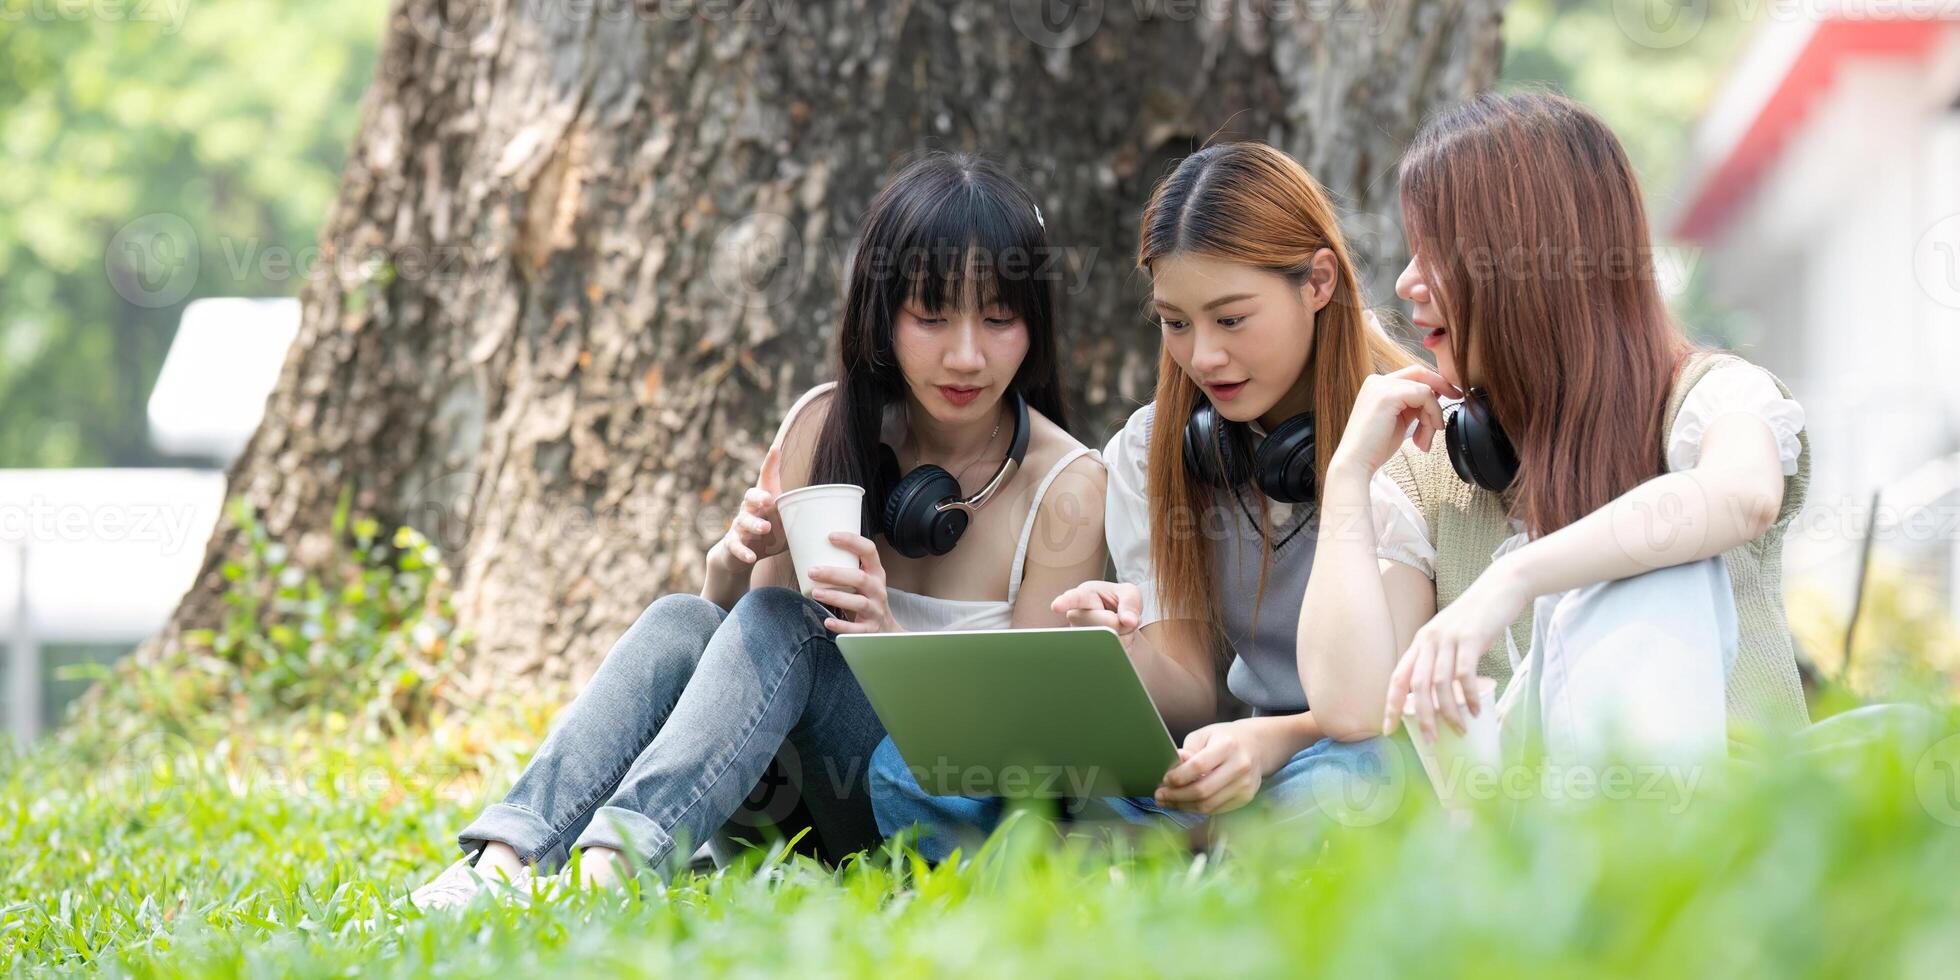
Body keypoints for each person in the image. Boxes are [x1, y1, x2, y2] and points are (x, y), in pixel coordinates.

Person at [410, 152, 1110, 908]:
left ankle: (608, 870)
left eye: (999, 318)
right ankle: (505, 860)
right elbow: (751, 653)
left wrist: (887, 647)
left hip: (927, 823)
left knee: (800, 629)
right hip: (775, 814)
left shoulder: (1066, 485)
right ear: (881, 314)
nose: (966, 354)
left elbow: (1032, 753)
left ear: (1033, 327)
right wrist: (732, 564)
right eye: (932, 316)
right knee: (687, 616)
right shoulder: (824, 426)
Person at [869, 142, 1411, 862]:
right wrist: (1117, 649)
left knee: (1350, 783)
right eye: (1176, 322)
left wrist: (1270, 741)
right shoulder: (1152, 446)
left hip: (1331, 753)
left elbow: (1391, 707)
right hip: (1213, 770)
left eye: (1231, 319)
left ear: (1316, 283)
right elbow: (1183, 690)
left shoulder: (1401, 426)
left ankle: (1121, 867)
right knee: (904, 772)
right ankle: (1185, 861)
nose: (1203, 356)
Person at [1300, 91, 1810, 779]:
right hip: (1523, 849)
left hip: (1722, 839)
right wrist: (1347, 478)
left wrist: (1512, 579)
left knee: (1657, 559)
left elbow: (1741, 495)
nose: (1406, 281)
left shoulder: (1707, 398)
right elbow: (1354, 708)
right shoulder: (1431, 464)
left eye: (1434, 252)